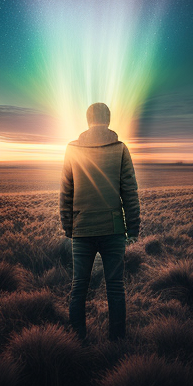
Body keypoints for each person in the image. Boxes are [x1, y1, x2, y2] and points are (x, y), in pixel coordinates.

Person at [59, 102, 140, 341]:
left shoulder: (72, 148)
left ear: (87, 120)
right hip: (113, 229)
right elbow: (130, 191)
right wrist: (132, 228)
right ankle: (117, 343)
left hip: (82, 229)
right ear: (109, 120)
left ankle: (77, 341)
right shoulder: (121, 149)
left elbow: (66, 192)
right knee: (115, 287)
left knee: (78, 287)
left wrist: (68, 226)